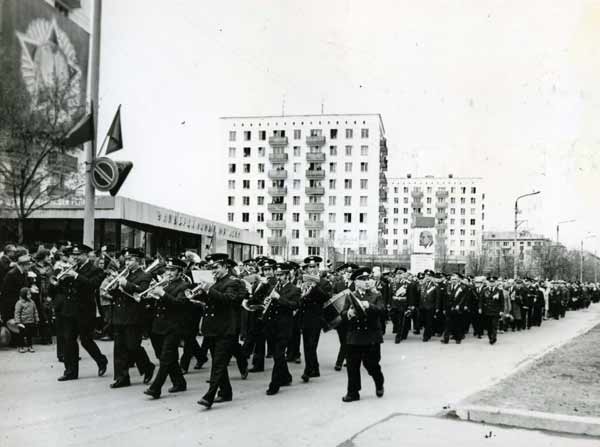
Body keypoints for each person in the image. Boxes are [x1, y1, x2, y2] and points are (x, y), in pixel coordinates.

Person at [196, 253, 247, 409]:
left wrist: (209, 289)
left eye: (216, 267)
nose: (214, 270)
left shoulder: (234, 282)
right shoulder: (216, 282)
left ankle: (209, 396)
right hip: (212, 328)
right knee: (218, 362)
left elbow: (228, 300)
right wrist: (199, 296)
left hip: (226, 329)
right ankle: (226, 392)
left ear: (226, 267)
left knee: (218, 363)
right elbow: (212, 301)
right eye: (212, 267)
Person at [55, 245, 109, 381]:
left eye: (78, 255)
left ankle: (101, 360)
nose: (75, 257)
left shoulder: (96, 270)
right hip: (69, 310)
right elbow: (65, 288)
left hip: (85, 311)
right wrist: (61, 279)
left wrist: (76, 275)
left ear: (86, 255)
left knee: (86, 340)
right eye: (74, 255)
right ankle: (70, 372)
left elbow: (92, 285)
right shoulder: (73, 268)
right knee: (69, 340)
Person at [144, 258, 190, 399]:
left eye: (172, 270)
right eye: (167, 270)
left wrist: (162, 294)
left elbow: (180, 304)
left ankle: (155, 388)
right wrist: (150, 296)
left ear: (180, 272)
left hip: (173, 326)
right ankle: (179, 382)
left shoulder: (184, 285)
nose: (168, 273)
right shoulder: (164, 284)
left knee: (165, 358)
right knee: (167, 357)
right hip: (159, 325)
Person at [110, 248, 155, 388]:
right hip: (119, 315)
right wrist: (114, 286)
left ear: (138, 261)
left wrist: (126, 284)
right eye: (126, 259)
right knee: (119, 348)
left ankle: (147, 366)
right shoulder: (125, 274)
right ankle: (121, 378)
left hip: (134, 316)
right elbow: (117, 295)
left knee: (132, 346)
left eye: (131, 260)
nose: (127, 262)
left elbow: (142, 292)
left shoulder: (145, 276)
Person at [341, 267, 385, 402]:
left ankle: (379, 381)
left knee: (371, 365)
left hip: (371, 337)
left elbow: (382, 311)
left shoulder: (375, 295)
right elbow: (343, 314)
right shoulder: (349, 296)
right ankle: (353, 392)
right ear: (356, 282)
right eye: (363, 279)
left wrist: (369, 306)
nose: (366, 282)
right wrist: (348, 314)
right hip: (354, 336)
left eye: (368, 279)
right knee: (352, 366)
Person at [263, 262, 300, 396]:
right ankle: (286, 376)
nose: (278, 277)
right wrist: (266, 303)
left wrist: (279, 298)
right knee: (277, 356)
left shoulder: (294, 289)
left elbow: (294, 305)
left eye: (281, 275)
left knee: (278, 355)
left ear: (287, 275)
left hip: (284, 327)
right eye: (277, 275)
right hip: (272, 326)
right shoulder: (273, 288)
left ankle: (274, 384)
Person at [299, 255, 331, 383]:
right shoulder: (303, 281)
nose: (311, 269)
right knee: (307, 344)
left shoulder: (324, 282)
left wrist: (315, 286)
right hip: (305, 316)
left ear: (318, 267)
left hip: (317, 317)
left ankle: (307, 370)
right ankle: (315, 368)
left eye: (314, 266)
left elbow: (326, 297)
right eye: (309, 267)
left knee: (312, 344)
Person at [14, 286, 39, 352]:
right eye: (28, 294)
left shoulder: (32, 302)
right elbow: (17, 313)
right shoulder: (19, 303)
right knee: (21, 335)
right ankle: (21, 346)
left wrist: (36, 319)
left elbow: (35, 311)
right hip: (23, 323)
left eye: (30, 294)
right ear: (24, 295)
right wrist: (18, 322)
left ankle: (30, 346)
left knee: (29, 335)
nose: (30, 295)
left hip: (30, 321)